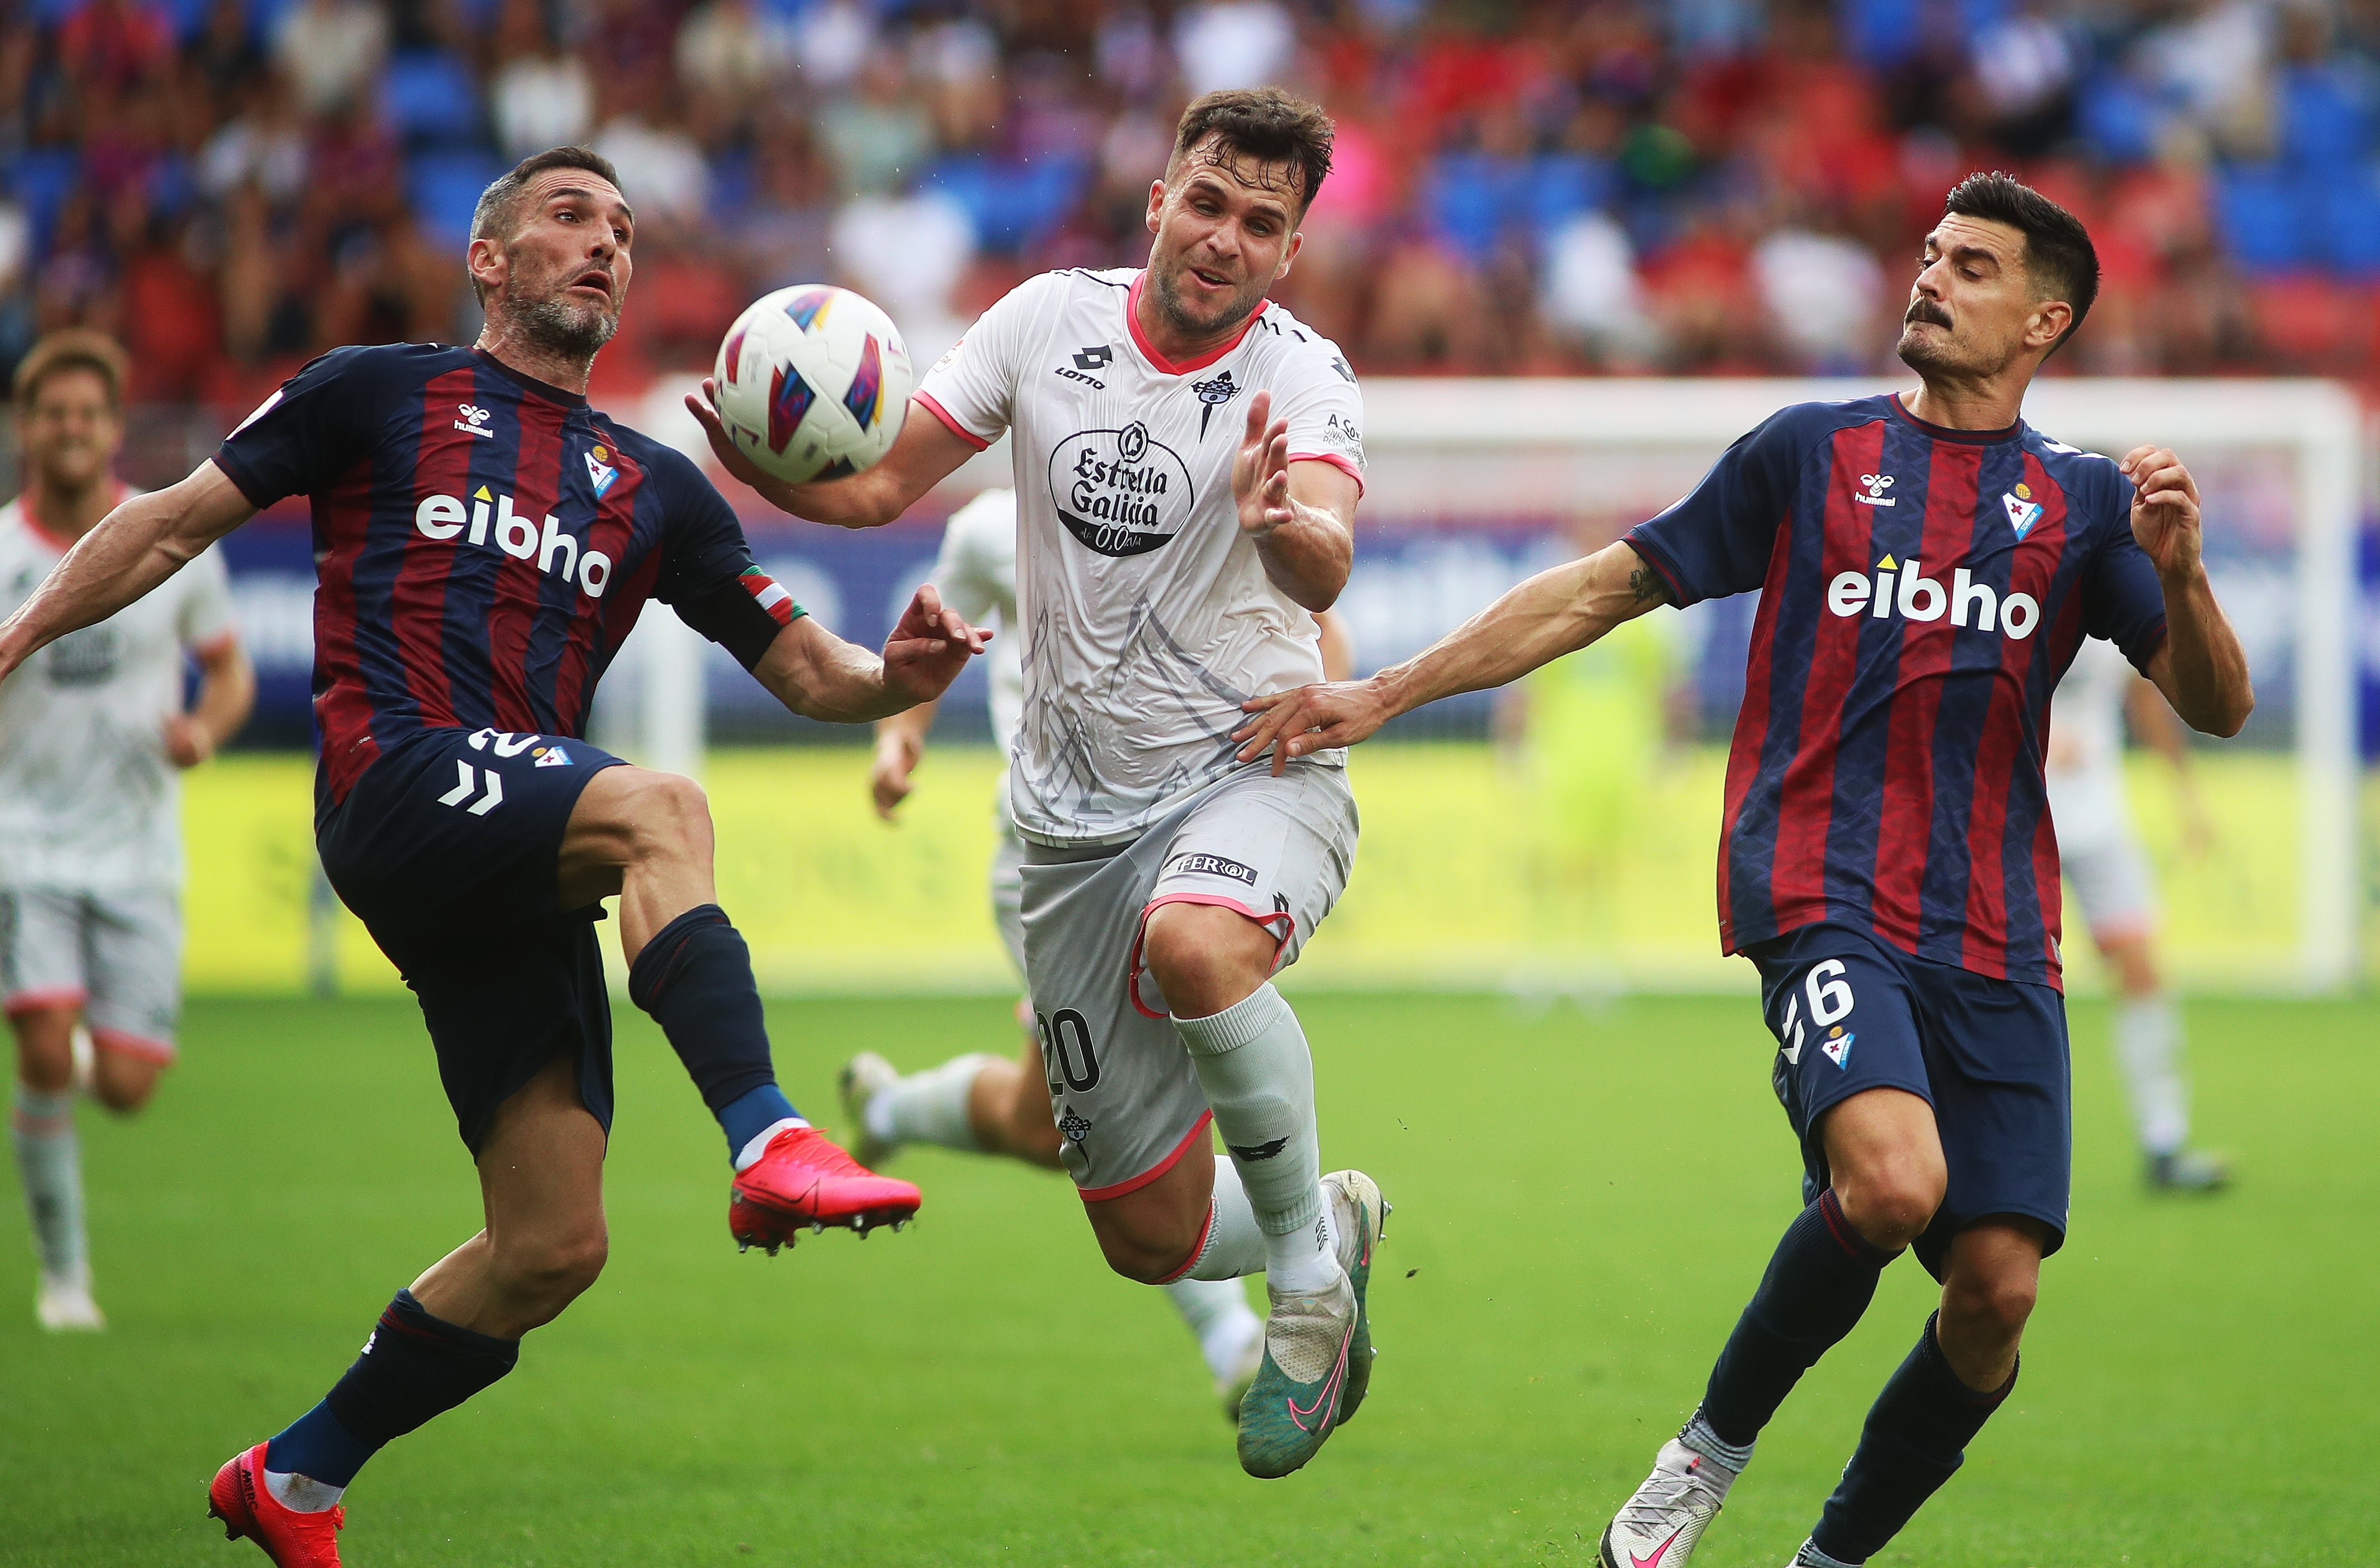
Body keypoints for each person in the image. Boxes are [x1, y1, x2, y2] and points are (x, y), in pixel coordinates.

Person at [1233, 171, 2253, 1567]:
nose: (1927, 277)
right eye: (1927, 254)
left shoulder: (2080, 507)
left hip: (1998, 935)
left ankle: (1823, 1559)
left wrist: (2182, 576)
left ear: (2042, 317)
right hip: (1814, 887)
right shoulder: (1803, 454)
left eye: (1967, 266)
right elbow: (1599, 585)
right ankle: (1699, 1457)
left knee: (1994, 1296)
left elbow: (2215, 705)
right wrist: (1385, 691)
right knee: (1890, 1184)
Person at [0, 147, 985, 1567]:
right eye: (570, 218)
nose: (604, 245)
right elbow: (166, 525)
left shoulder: (659, 488)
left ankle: (295, 1474)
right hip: (397, 778)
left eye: (624, 229)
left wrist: (895, 676)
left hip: (506, 851)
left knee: (549, 1244)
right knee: (665, 809)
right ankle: (768, 1132)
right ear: (491, 258)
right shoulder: (376, 392)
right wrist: (20, 634)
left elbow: (814, 673)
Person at [691, 88, 1386, 1480]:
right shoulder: (1040, 322)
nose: (1225, 238)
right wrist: (761, 464)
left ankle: (1306, 1297)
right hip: (1066, 832)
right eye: (1208, 203)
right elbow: (881, 489)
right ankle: (1332, 1214)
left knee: (1197, 944)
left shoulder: (1304, 378)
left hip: (1252, 762)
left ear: (1290, 249)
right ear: (1158, 201)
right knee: (1146, 1237)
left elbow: (1326, 557)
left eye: (1261, 222)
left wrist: (1280, 529)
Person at [844, 482, 1355, 1418]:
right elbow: (926, 649)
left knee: (1058, 1121)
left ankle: (890, 1103)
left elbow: (1322, 634)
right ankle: (1242, 1329)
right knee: (1132, 1101)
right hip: (1050, 866)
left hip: (1185, 833)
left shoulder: (1199, 501)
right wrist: (897, 741)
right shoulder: (991, 529)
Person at [1, 329, 255, 1333]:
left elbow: (229, 669)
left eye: (88, 413)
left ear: (113, 429)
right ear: (29, 427)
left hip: (140, 846)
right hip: (23, 841)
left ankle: (91, 1080)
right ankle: (65, 1277)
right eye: (53, 412)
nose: (71, 427)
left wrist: (205, 727)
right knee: (47, 1055)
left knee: (128, 1086)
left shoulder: (171, 541)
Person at [2047, 634, 2227, 1191]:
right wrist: (2036, 740)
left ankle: (2163, 1143)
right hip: (2010, 811)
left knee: (2141, 970)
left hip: (2098, 818)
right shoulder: (2010, 574)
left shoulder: (2107, 590)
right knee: (2002, 977)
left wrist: (2186, 797)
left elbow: (2145, 698)